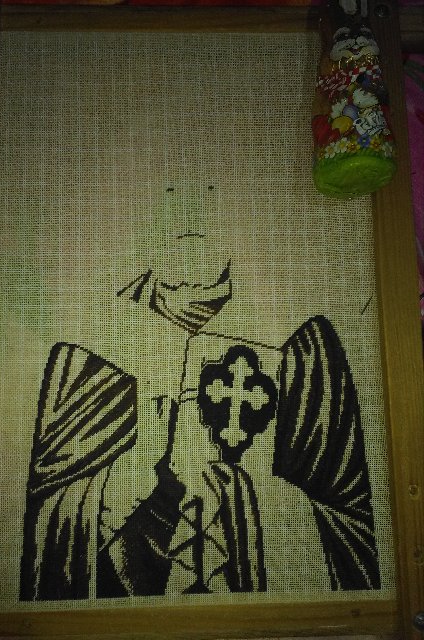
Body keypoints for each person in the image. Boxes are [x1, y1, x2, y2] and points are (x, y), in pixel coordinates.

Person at [19, 186, 381, 599]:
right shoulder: (91, 344)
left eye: (208, 197)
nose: (189, 214)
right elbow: (51, 518)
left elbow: (350, 527)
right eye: (171, 202)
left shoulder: (300, 350)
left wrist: (247, 491)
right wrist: (128, 479)